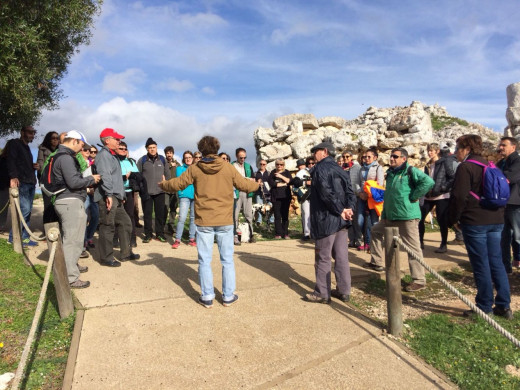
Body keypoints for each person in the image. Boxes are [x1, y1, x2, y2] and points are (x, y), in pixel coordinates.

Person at [159, 136, 259, 308]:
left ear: (201, 150)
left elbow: (178, 184)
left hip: (204, 221)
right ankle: (228, 296)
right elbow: (244, 185)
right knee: (227, 259)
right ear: (216, 148)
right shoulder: (228, 167)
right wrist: (257, 185)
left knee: (204, 260)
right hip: (225, 220)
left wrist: (163, 184)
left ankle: (207, 297)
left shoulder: (196, 169)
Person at [448, 134, 512, 319]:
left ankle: (484, 306)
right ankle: (504, 306)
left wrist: (453, 219)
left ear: (466, 149)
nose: (456, 152)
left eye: (458, 148)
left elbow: (459, 197)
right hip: (496, 220)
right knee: (496, 262)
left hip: (475, 222)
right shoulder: (491, 165)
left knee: (480, 264)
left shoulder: (465, 167)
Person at [363, 147, 434, 292]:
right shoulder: (390, 173)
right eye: (391, 156)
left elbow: (428, 182)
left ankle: (419, 280)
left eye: (395, 156)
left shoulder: (410, 171)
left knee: (413, 248)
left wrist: (414, 196)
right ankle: (376, 262)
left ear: (404, 158)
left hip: (407, 216)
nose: (392, 158)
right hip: (390, 216)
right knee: (375, 231)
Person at [303, 142, 355, 304]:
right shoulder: (341, 169)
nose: (313, 155)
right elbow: (350, 192)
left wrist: (340, 209)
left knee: (323, 257)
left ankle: (322, 293)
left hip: (326, 219)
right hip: (342, 220)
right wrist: (348, 209)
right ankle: (344, 290)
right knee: (341, 257)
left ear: (324, 152)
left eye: (315, 151)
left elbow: (326, 193)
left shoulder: (319, 169)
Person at [51, 131, 100, 288]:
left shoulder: (59, 156)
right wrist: (91, 179)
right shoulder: (66, 158)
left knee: (72, 238)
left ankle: (72, 267)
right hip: (69, 201)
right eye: (81, 145)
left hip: (66, 200)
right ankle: (71, 278)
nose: (82, 149)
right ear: (74, 141)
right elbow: (73, 182)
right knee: (73, 240)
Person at [94, 128, 139, 267]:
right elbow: (105, 175)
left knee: (126, 223)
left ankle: (125, 253)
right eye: (116, 139)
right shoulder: (103, 156)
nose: (119, 141)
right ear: (107, 140)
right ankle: (106, 258)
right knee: (107, 226)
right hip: (108, 197)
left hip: (116, 197)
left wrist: (122, 195)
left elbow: (116, 179)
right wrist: (108, 194)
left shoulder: (112, 155)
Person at [418, 143, 457, 253]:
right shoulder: (427, 165)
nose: (429, 153)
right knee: (420, 218)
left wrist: (442, 188)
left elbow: (452, 177)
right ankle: (420, 242)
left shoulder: (444, 162)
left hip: (441, 196)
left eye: (432, 150)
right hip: (428, 195)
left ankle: (443, 244)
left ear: (437, 151)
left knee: (441, 220)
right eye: (428, 150)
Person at [6, 126, 40, 247]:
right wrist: (13, 176)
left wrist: (32, 166)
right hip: (22, 183)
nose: (32, 135)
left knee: (28, 210)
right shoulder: (15, 144)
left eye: (33, 133)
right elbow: (11, 160)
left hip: (30, 182)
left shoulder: (27, 148)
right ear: (22, 132)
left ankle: (25, 238)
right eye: (30, 132)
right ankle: (12, 238)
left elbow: (21, 163)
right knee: (24, 210)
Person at [137, 138, 170, 243]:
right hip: (146, 192)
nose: (152, 149)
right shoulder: (142, 160)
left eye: (154, 147)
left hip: (160, 191)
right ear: (147, 149)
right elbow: (138, 175)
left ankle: (160, 234)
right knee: (147, 215)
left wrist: (167, 185)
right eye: (150, 148)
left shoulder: (162, 159)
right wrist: (141, 188)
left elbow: (168, 174)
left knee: (159, 214)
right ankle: (148, 234)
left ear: (156, 148)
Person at [497, 136, 520, 273]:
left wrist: (495, 175)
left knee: (518, 237)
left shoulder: (518, 161)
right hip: (503, 204)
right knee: (503, 237)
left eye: (504, 145)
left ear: (513, 147)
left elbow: (508, 178)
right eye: (500, 145)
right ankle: (505, 267)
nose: (500, 148)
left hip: (516, 204)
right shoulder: (501, 163)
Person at [355, 148, 384, 252]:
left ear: (375, 158)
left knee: (374, 222)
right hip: (362, 197)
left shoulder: (378, 168)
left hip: (373, 198)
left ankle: (374, 244)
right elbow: (358, 182)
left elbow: (380, 183)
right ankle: (367, 242)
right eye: (364, 157)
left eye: (368, 157)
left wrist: (369, 194)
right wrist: (360, 192)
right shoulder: (362, 168)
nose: (366, 158)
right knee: (360, 221)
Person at [172, 151, 196, 249]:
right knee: (182, 218)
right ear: (183, 159)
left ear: (193, 158)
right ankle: (178, 239)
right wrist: (181, 192)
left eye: (190, 157)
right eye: (186, 157)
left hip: (195, 196)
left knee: (193, 218)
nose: (188, 159)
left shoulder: (196, 169)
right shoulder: (180, 169)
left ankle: (191, 239)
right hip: (184, 196)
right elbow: (182, 180)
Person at [117, 141, 140, 247]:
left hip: (129, 191)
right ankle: (116, 239)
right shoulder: (114, 161)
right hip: (117, 191)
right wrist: (124, 177)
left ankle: (132, 239)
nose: (123, 150)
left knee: (130, 215)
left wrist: (131, 176)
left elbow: (137, 174)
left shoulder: (131, 161)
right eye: (120, 148)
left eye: (125, 149)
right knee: (116, 216)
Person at [233, 148, 256, 244]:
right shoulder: (232, 165)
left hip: (247, 192)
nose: (243, 159)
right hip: (236, 192)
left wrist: (250, 180)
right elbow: (234, 178)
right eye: (241, 157)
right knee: (235, 215)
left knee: (248, 215)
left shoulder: (248, 166)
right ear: (236, 156)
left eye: (244, 157)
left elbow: (253, 179)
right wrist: (246, 179)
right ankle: (235, 236)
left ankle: (251, 235)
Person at [268, 158, 293, 239]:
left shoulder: (287, 172)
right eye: (277, 164)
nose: (279, 166)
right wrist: (283, 184)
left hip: (286, 197)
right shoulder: (272, 173)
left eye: (281, 164)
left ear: (283, 165)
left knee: (285, 216)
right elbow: (272, 183)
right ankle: (278, 233)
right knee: (277, 216)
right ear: (275, 165)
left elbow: (290, 181)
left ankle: (285, 233)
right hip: (276, 197)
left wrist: (280, 176)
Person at [84, 145, 99, 250]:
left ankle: (89, 237)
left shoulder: (96, 164)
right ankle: (84, 241)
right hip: (83, 192)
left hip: (94, 192)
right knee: (83, 218)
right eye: (87, 150)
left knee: (96, 216)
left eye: (93, 151)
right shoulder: (78, 162)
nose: (90, 152)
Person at [294, 158, 312, 240]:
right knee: (306, 214)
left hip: (315, 195)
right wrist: (305, 183)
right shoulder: (300, 173)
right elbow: (296, 183)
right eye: (299, 166)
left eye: (301, 165)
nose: (300, 167)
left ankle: (313, 232)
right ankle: (307, 233)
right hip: (305, 196)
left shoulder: (316, 170)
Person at [164, 146, 179, 235]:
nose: (169, 154)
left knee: (173, 209)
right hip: (166, 189)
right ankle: (162, 226)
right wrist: (170, 166)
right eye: (167, 153)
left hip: (175, 190)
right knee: (165, 208)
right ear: (165, 154)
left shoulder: (177, 163)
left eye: (170, 153)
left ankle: (171, 226)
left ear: (173, 153)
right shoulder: (162, 162)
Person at [254, 159, 273, 227]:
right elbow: (253, 183)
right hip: (258, 192)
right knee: (259, 207)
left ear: (266, 165)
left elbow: (271, 182)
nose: (262, 165)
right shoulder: (255, 173)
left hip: (268, 193)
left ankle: (271, 220)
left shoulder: (269, 173)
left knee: (270, 206)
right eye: (261, 164)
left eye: (263, 164)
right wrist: (257, 183)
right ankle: (259, 221)